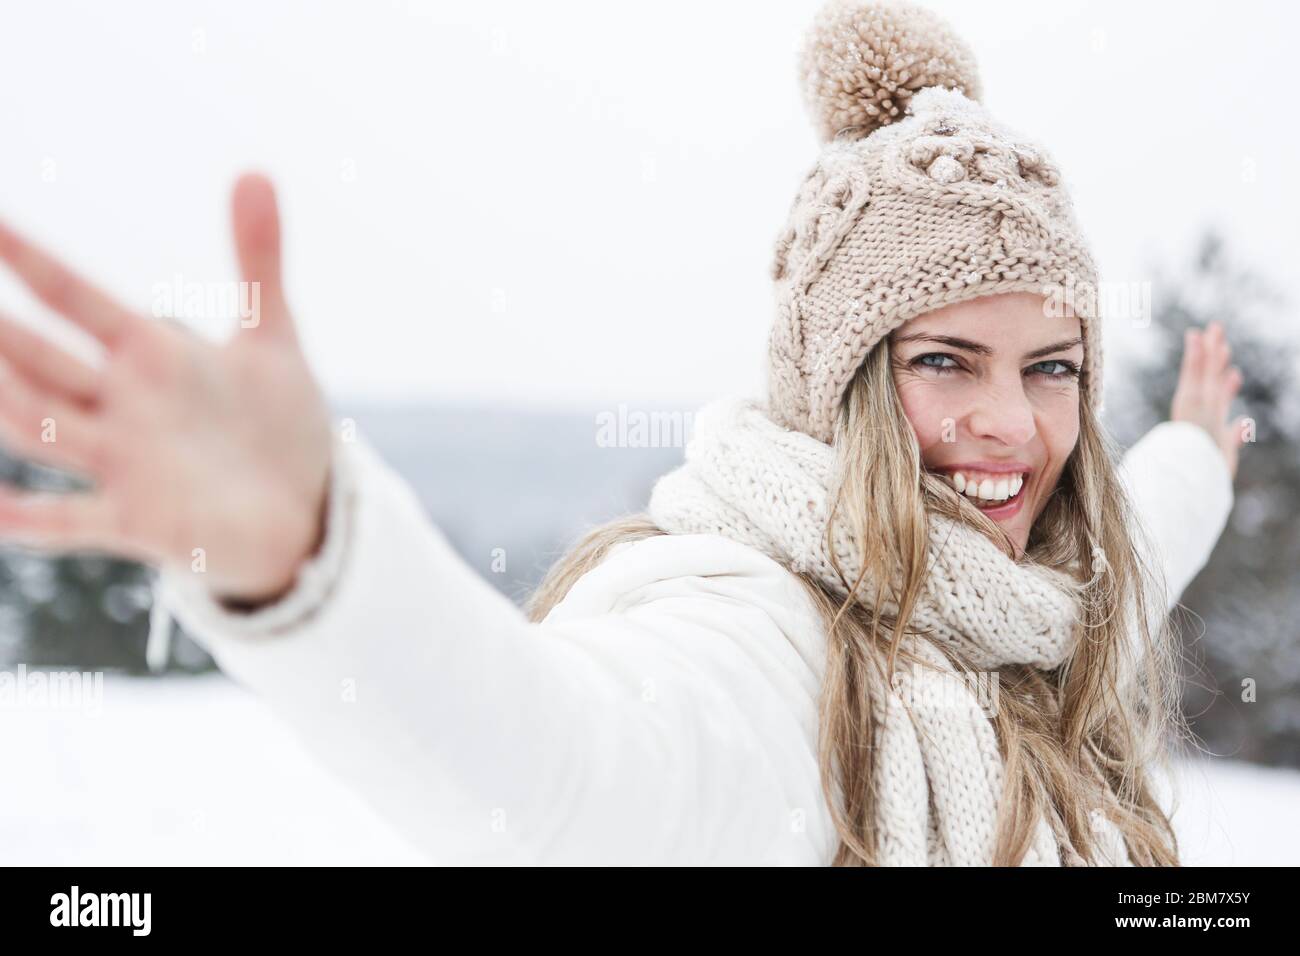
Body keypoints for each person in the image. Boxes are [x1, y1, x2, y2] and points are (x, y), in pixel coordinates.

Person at [0, 0, 1245, 865]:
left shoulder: (1048, 602)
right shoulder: (771, 630)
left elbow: (1136, 542)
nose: (1011, 424)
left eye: (1050, 368)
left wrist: (1192, 449)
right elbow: (559, 770)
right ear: (838, 386)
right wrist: (313, 556)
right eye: (940, 360)